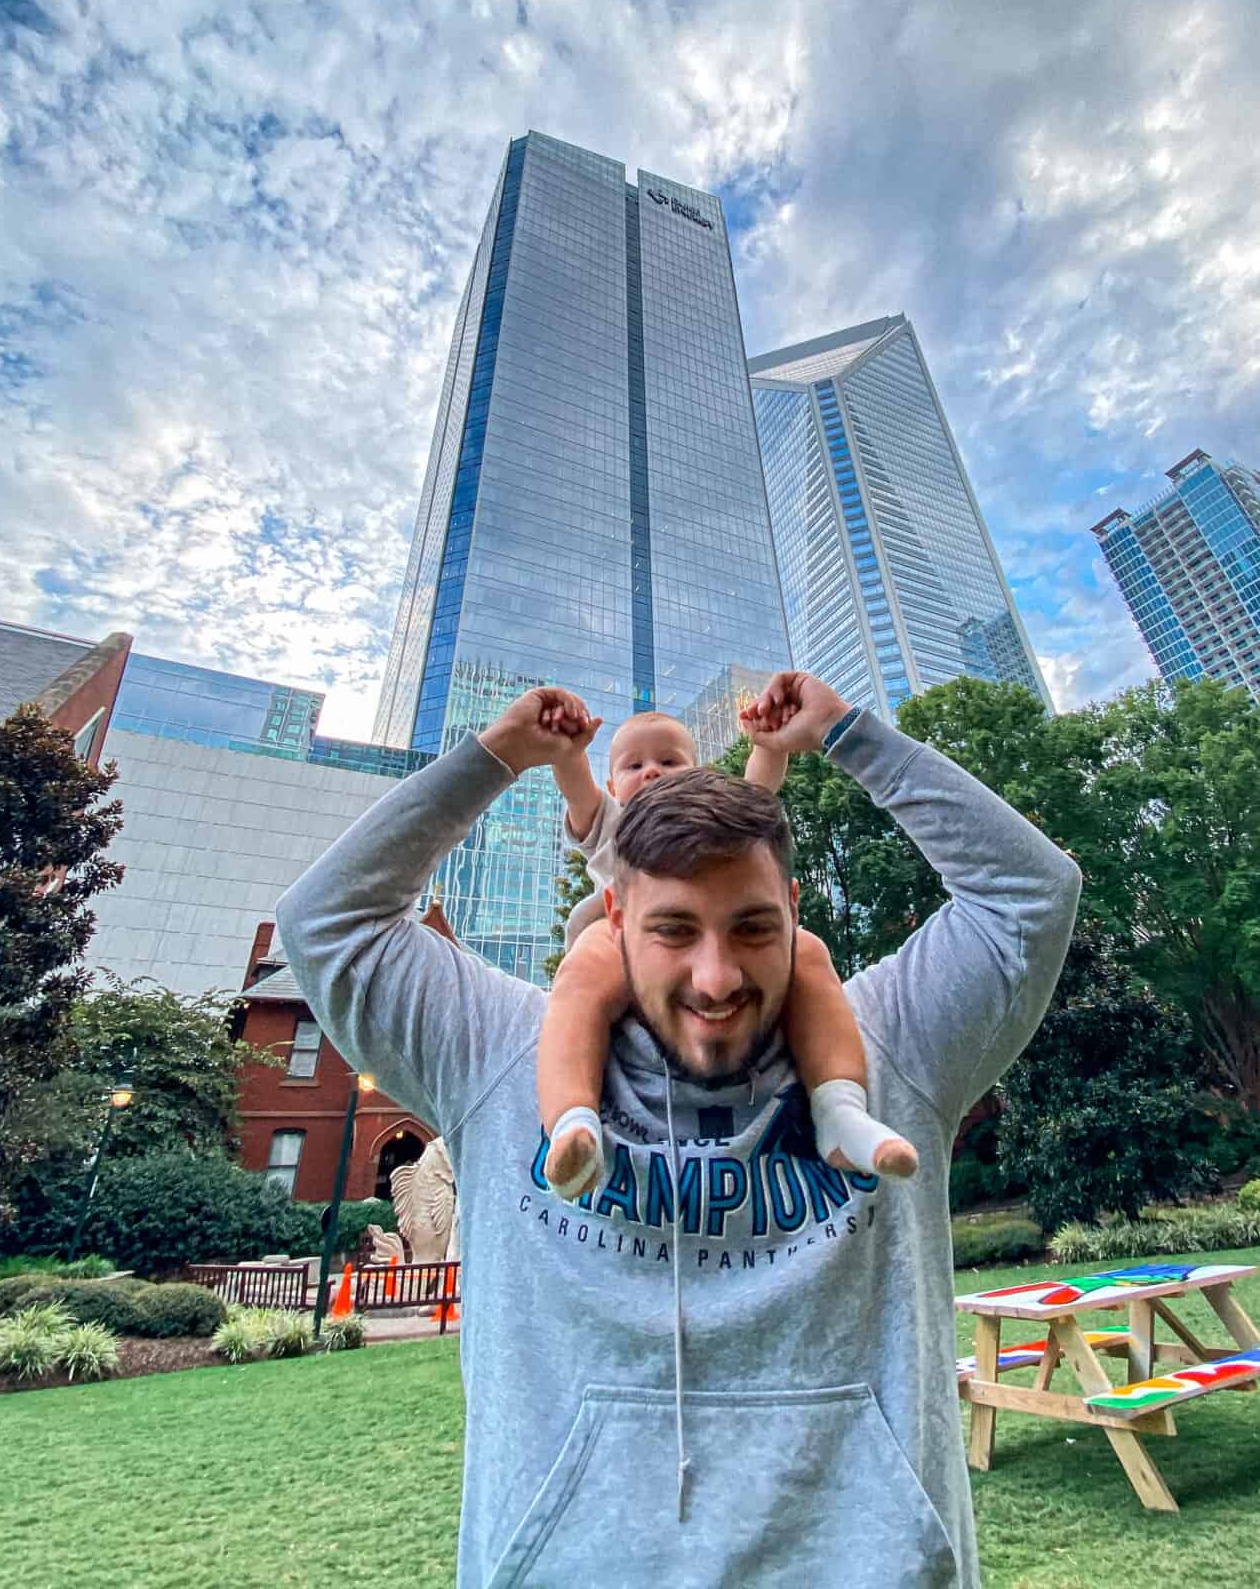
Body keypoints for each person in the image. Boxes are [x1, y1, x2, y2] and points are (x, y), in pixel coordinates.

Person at [276, 670, 1081, 1588]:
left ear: (793, 917)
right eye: (671, 931)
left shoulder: (892, 1046)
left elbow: (1031, 893)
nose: (715, 978)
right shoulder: (499, 1055)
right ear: (615, 921)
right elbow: (325, 919)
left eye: (750, 928)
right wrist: (499, 755)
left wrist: (849, 734)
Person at [538, 703, 917, 1198]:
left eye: (669, 762)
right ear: (613, 787)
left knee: (807, 951)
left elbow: (759, 795)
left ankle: (840, 1109)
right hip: (619, 945)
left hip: (715, 943)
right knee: (580, 977)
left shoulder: (718, 821)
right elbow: (577, 792)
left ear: (698, 773)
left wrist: (766, 745)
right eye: (633, 766)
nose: (651, 771)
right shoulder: (613, 824)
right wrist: (567, 754)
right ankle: (572, 1124)